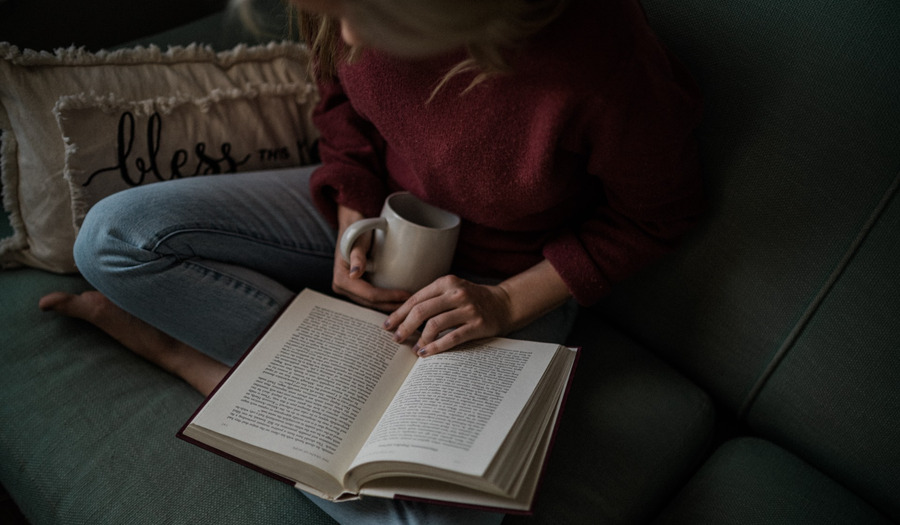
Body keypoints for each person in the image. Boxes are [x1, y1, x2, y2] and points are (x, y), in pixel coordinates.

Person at [40, 0, 704, 522]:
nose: (351, 38)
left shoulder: (599, 56)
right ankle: (319, 388)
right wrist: (353, 213)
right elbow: (339, 104)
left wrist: (504, 302)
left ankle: (197, 366)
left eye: (371, 14)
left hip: (506, 276)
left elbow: (657, 213)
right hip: (385, 209)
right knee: (112, 238)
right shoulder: (344, 14)